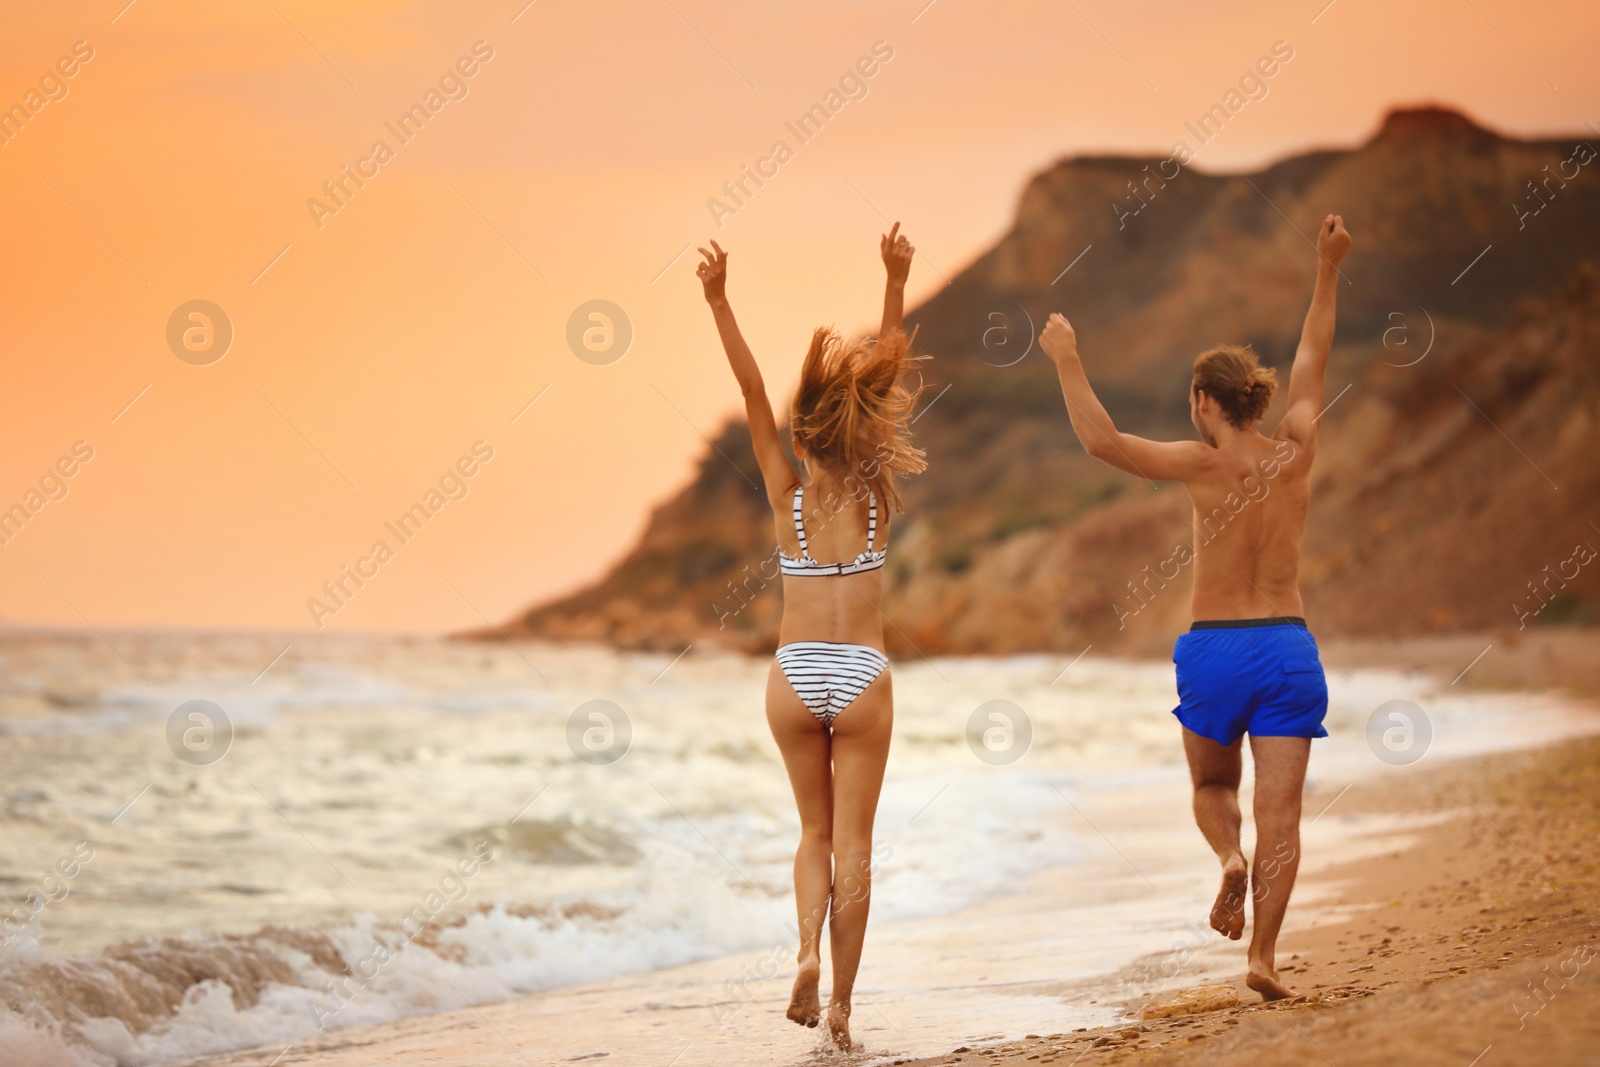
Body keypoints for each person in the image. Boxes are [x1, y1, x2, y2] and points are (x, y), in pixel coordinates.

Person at [1039, 215, 1353, 1001]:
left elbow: (1102, 440)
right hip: (1287, 646)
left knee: (1215, 789)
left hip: (1215, 648)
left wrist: (1068, 359)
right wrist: (1328, 266)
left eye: (1191, 399)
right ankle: (1264, 959)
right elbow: (1315, 350)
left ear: (1205, 400)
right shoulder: (1295, 451)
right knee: (1284, 814)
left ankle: (1228, 859)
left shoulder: (1198, 464)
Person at [695, 224, 927, 1047]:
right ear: (857, 433)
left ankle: (803, 951)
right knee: (857, 842)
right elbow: (890, 363)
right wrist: (895, 282)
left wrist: (720, 301)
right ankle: (840, 1011)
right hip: (861, 673)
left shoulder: (785, 495)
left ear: (802, 441)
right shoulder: (873, 493)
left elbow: (754, 390)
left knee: (814, 834)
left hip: (794, 673)